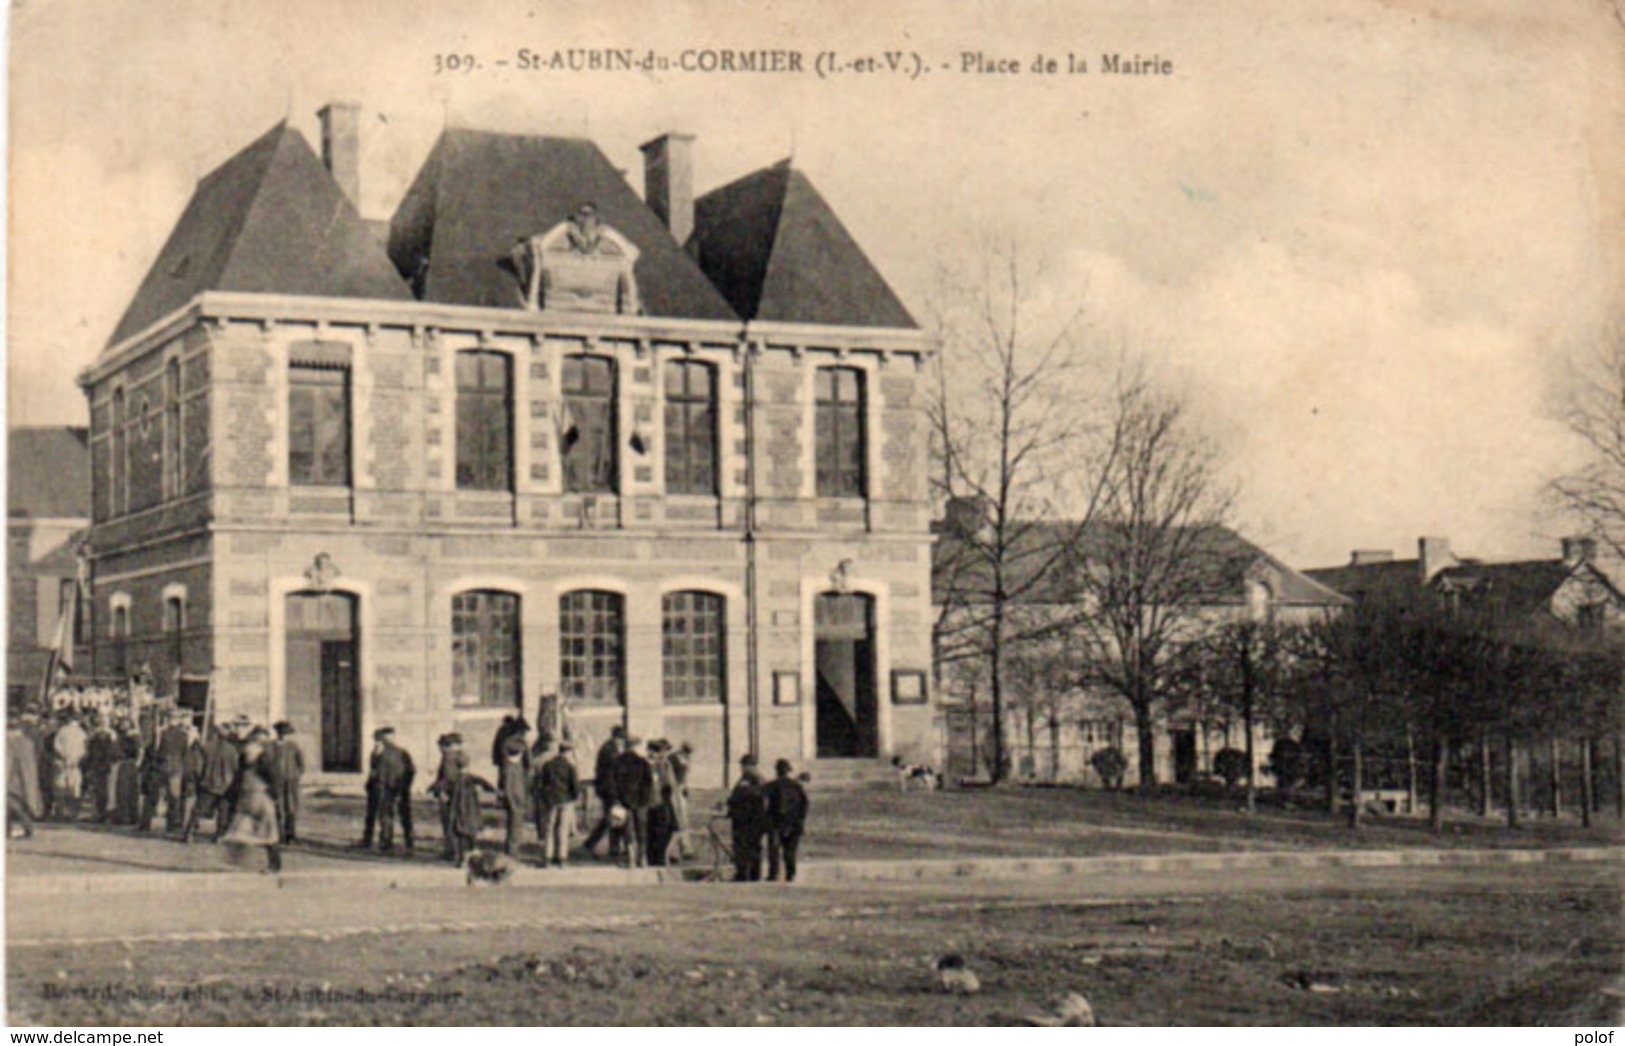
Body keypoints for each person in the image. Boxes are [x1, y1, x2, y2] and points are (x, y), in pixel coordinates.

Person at [431, 748, 494, 867]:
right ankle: (471, 856)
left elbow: (438, 786)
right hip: (470, 810)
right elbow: (486, 784)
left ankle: (461, 858)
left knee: (459, 833)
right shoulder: (472, 778)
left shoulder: (453, 778)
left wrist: (439, 793)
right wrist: (494, 791)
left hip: (457, 809)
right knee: (471, 833)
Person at [220, 758, 282, 874]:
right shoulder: (245, 774)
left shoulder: (260, 774)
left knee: (268, 836)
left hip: (261, 807)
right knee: (241, 833)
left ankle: (274, 865)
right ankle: (238, 860)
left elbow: (275, 789)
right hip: (250, 807)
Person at [184, 723, 240, 843]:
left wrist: (200, 778)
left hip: (208, 783)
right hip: (226, 786)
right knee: (223, 812)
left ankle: (189, 833)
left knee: (199, 810)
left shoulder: (206, 747)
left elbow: (198, 766)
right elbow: (236, 768)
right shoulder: (232, 750)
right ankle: (219, 836)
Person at [363, 727, 415, 852]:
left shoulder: (392, 753)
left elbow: (409, 771)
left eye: (378, 740)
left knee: (387, 815)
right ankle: (407, 841)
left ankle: (386, 843)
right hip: (392, 788)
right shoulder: (380, 753)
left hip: (387, 788)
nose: (376, 743)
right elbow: (411, 771)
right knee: (399, 815)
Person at [581, 726, 626, 859]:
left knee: (613, 817)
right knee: (612, 818)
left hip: (608, 789)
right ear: (616, 738)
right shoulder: (609, 750)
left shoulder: (609, 747)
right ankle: (598, 844)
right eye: (621, 739)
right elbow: (612, 772)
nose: (622, 743)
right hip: (609, 790)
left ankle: (611, 846)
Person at [532, 740, 579, 867]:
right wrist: (573, 797)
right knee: (563, 830)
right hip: (566, 800)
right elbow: (575, 786)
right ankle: (562, 858)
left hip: (551, 801)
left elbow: (541, 784)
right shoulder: (570, 767)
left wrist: (546, 798)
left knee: (550, 829)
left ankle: (547, 858)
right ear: (567, 752)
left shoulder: (548, 765)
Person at [764, 758, 810, 883]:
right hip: (794, 823)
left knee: (774, 849)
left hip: (776, 822)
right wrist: (800, 820)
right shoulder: (797, 787)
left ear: (777, 771)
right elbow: (804, 805)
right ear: (788, 771)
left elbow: (763, 803)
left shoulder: (771, 786)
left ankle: (774, 874)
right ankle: (790, 874)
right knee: (790, 851)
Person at [612, 737, 655, 868]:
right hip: (641, 802)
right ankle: (642, 859)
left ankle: (630, 858)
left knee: (627, 830)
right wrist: (645, 799)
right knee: (641, 830)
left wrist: (617, 799)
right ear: (636, 747)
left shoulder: (617, 762)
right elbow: (649, 783)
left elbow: (613, 783)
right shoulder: (643, 762)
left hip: (625, 802)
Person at [725, 754, 768, 882]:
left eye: (744, 765)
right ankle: (753, 874)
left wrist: (733, 802)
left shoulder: (752, 780)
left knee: (744, 846)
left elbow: (742, 796)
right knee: (752, 846)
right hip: (749, 818)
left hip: (748, 819)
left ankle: (744, 874)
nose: (742, 768)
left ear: (750, 766)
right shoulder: (754, 779)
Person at [267, 721, 305, 844]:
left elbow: (301, 763)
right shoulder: (271, 747)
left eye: (286, 733)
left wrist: (296, 775)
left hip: (291, 782)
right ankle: (277, 834)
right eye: (281, 733)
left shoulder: (293, 746)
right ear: (277, 733)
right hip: (276, 782)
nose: (283, 736)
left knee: (291, 808)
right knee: (277, 808)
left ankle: (290, 835)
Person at [156, 712, 195, 833]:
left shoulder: (163, 733)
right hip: (177, 768)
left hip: (164, 766)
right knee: (175, 796)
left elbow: (160, 752)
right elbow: (186, 753)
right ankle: (173, 823)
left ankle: (170, 822)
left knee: (165, 795)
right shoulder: (183, 735)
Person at [497, 733, 530, 856]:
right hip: (515, 801)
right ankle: (512, 851)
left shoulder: (512, 765)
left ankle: (513, 849)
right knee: (515, 827)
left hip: (517, 800)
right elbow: (508, 788)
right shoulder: (510, 768)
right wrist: (513, 802)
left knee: (515, 826)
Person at [7, 719, 41, 838]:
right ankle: (10, 829)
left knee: (13, 804)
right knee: (15, 804)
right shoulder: (27, 743)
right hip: (23, 779)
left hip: (12, 779)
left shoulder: (10, 743)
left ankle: (27, 828)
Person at [51, 713, 87, 822]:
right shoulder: (82, 733)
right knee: (74, 787)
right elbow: (84, 749)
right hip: (74, 763)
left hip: (65, 761)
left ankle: (62, 812)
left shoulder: (62, 731)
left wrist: (64, 756)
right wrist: (77, 758)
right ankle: (73, 813)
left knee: (61, 787)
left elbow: (56, 746)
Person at [430, 734, 462, 859]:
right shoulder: (460, 756)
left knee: (449, 822)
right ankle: (456, 850)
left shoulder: (448, 758)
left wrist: (442, 792)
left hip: (448, 794)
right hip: (458, 793)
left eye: (442, 746)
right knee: (456, 822)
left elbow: (447, 777)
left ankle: (451, 851)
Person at [646, 783, 678, 867]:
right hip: (656, 803)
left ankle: (662, 856)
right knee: (657, 833)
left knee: (664, 834)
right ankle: (657, 857)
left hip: (660, 802)